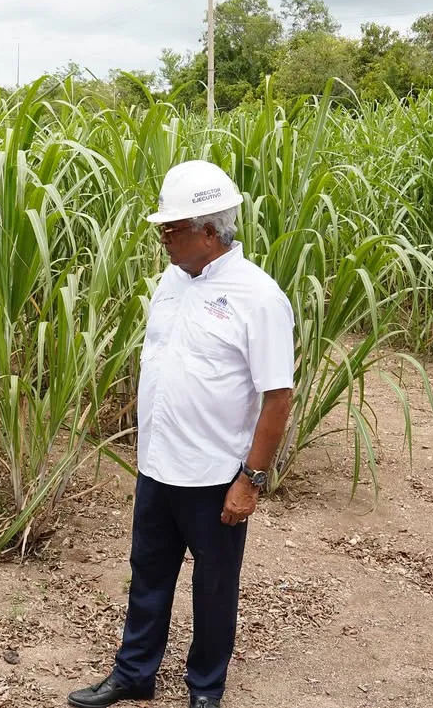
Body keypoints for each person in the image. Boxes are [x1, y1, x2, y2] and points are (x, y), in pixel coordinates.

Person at [68, 160, 295, 708]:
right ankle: (133, 674)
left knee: (213, 589)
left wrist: (252, 480)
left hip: (215, 477)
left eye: (173, 228)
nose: (163, 238)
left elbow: (278, 396)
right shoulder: (173, 282)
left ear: (211, 231)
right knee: (147, 576)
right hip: (158, 467)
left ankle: (205, 690)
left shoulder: (258, 298)